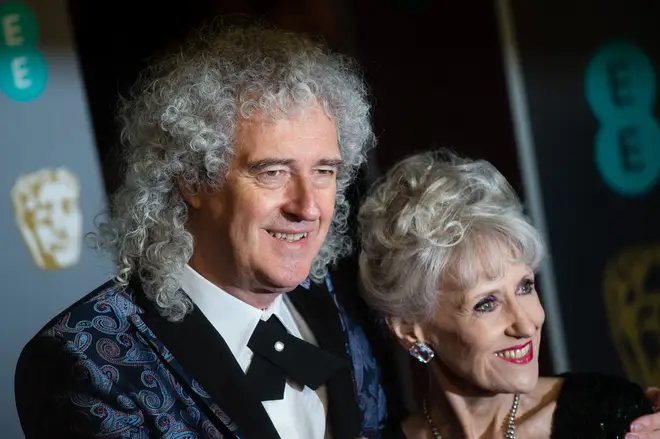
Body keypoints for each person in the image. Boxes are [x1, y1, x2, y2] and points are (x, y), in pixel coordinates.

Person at [14, 22, 390, 439]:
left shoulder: (339, 306)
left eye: (324, 171)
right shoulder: (87, 360)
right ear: (192, 179)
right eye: (273, 172)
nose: (307, 206)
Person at [357, 149, 660, 439]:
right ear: (412, 330)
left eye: (525, 287)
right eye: (486, 303)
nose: (526, 324)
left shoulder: (614, 416)